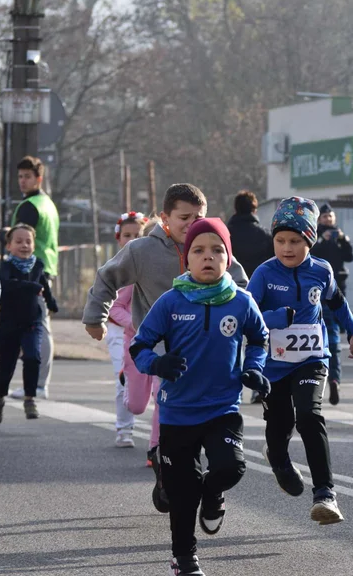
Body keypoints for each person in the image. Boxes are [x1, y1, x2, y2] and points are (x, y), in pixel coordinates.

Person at [83, 183, 248, 509]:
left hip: (201, 350)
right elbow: (106, 277)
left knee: (186, 408)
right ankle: (160, 450)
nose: (192, 224)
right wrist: (95, 318)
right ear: (164, 218)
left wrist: (248, 318)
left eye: (199, 216)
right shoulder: (142, 250)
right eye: (184, 217)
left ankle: (171, 464)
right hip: (153, 347)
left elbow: (240, 283)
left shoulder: (210, 244)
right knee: (148, 403)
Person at [129, 218, 270, 576]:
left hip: (222, 408)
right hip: (177, 412)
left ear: (228, 257)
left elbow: (259, 338)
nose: (208, 257)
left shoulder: (241, 302)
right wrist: (157, 362)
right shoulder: (171, 302)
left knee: (231, 468)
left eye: (217, 250)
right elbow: (140, 345)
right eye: (198, 251)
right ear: (187, 260)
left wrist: (254, 369)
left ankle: (213, 496)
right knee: (181, 490)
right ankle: (184, 557)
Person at [247, 196, 353, 525]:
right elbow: (248, 315)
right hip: (274, 365)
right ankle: (279, 458)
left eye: (295, 241)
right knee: (280, 424)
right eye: (280, 241)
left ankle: (325, 494)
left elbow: (338, 304)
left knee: (310, 416)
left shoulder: (321, 271)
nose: (286, 248)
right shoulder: (264, 273)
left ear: (309, 240)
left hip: (312, 358)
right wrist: (275, 318)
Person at [0, 223, 58, 424]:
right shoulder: (6, 266)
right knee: (6, 366)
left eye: (28, 241)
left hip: (32, 321)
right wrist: (32, 287)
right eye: (18, 241)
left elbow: (44, 285)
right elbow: (7, 286)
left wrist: (52, 303)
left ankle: (29, 399)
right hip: (9, 323)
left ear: (34, 245)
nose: (24, 245)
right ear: (8, 246)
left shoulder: (38, 265)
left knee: (33, 357)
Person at [104, 211, 157, 449]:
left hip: (152, 336)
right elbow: (114, 306)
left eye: (138, 234)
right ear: (118, 238)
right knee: (121, 383)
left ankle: (159, 442)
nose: (132, 239)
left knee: (160, 390)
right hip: (120, 332)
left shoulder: (149, 263)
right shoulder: (117, 265)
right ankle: (124, 429)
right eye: (127, 235)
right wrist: (134, 324)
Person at [9, 156, 59, 400]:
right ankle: (38, 383)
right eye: (20, 176)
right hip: (46, 268)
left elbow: (20, 238)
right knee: (38, 327)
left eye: (27, 176)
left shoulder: (29, 206)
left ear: (39, 178)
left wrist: (4, 236)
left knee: (36, 328)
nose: (22, 181)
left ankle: (38, 385)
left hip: (32, 272)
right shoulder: (47, 203)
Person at [310, 202, 353, 406]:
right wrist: (322, 240)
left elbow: (350, 256)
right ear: (319, 219)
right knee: (326, 335)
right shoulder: (313, 237)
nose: (328, 220)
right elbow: (310, 257)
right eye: (324, 217)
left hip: (337, 290)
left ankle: (333, 379)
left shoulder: (340, 235)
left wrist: (344, 240)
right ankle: (328, 377)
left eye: (330, 216)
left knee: (333, 335)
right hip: (319, 292)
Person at [226, 189, 273, 274]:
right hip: (258, 283)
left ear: (236, 208)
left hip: (233, 282)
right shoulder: (266, 235)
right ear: (254, 210)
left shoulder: (225, 235)